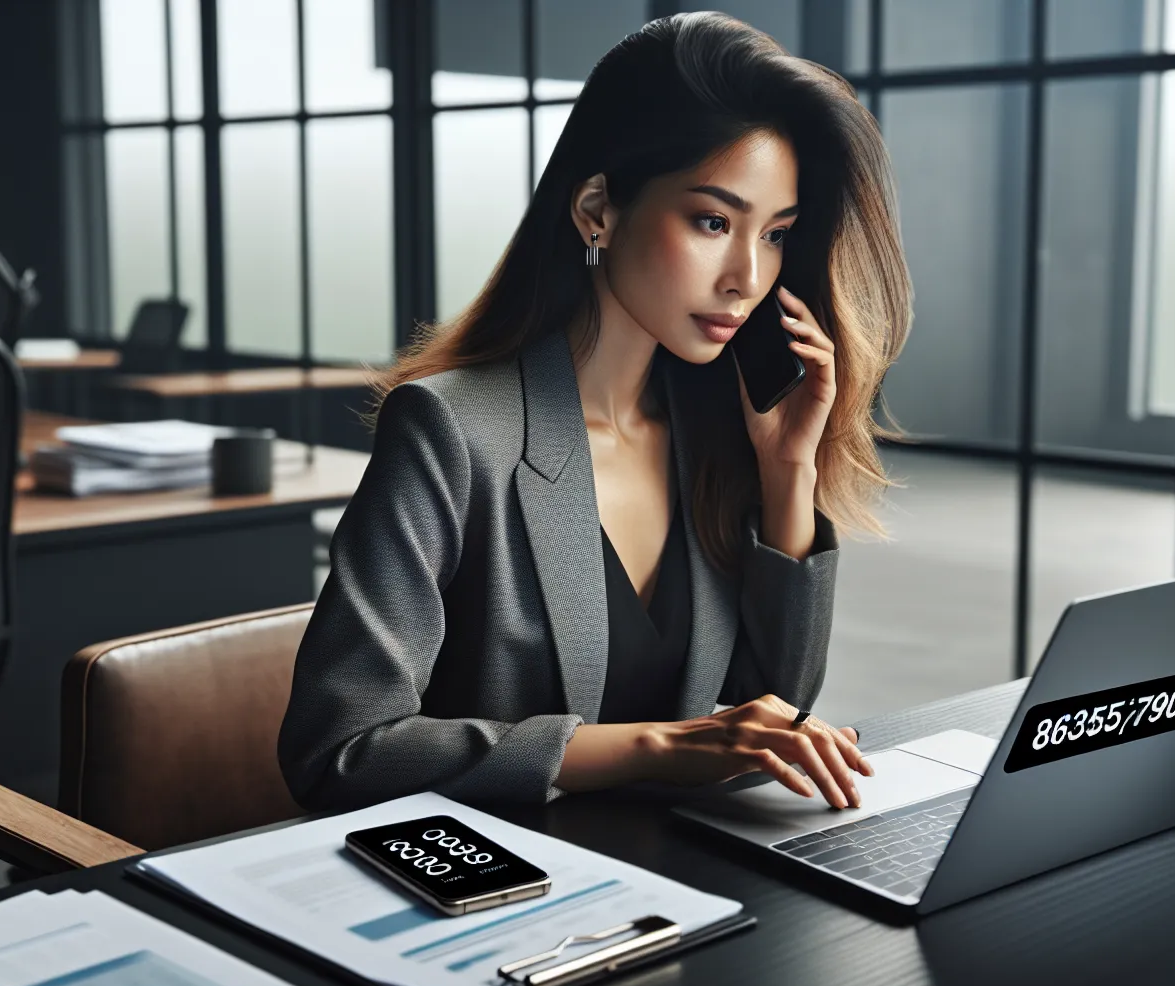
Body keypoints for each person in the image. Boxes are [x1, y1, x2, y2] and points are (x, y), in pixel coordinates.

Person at [279, 12, 912, 811]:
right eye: (713, 221)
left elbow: (772, 702)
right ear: (597, 211)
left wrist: (788, 473)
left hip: (680, 880)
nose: (747, 276)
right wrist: (655, 746)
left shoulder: (712, 433)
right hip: (498, 887)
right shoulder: (451, 430)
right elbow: (338, 752)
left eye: (777, 234)